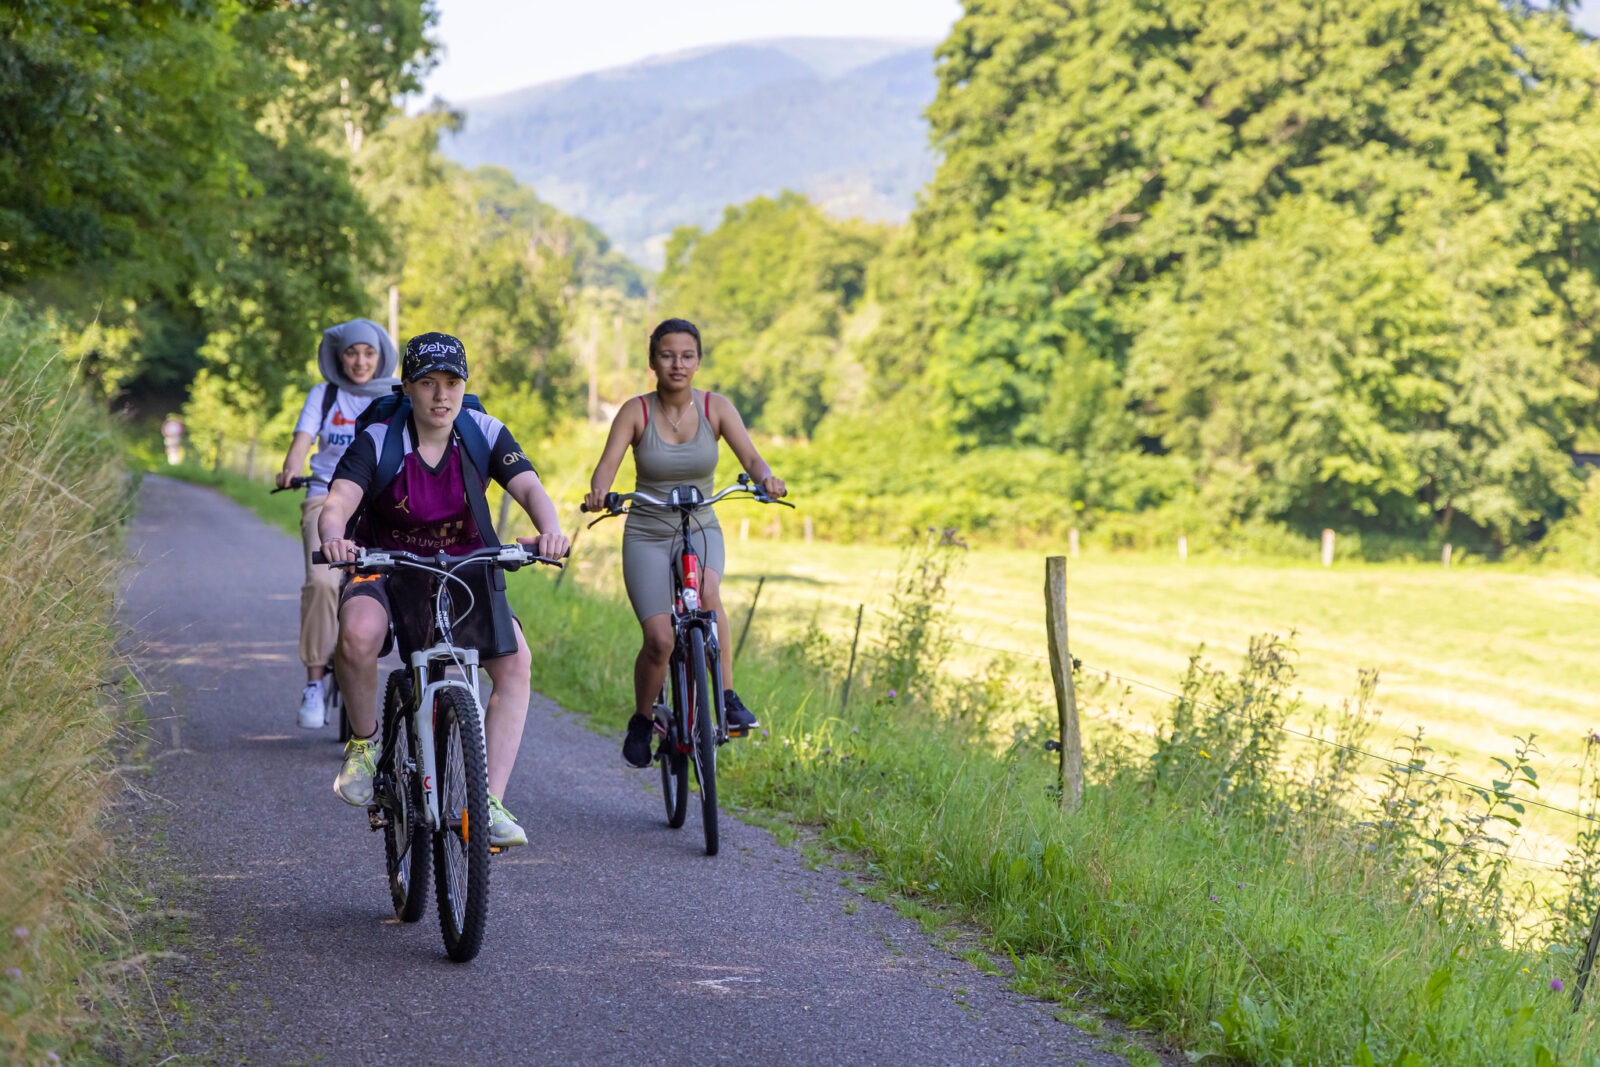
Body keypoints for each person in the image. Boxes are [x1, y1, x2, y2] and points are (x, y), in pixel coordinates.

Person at [317, 332, 569, 849]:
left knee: (515, 661)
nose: (441, 395)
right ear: (407, 387)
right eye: (428, 383)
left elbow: (528, 488)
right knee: (358, 634)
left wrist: (549, 530)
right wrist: (335, 539)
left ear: (464, 386)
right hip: (384, 562)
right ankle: (365, 746)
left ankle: (489, 803)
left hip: (465, 564)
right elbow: (339, 500)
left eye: (452, 382)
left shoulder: (483, 432)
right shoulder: (380, 439)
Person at [584, 318, 787, 770]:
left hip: (700, 526)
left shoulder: (716, 407)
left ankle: (728, 698)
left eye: (687, 355)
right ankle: (641, 719)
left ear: (698, 361)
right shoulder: (636, 411)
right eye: (668, 355)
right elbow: (607, 466)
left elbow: (750, 457)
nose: (678, 364)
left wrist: (766, 479)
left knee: (710, 598)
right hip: (648, 533)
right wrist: (600, 492)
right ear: (653, 360)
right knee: (658, 639)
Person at [274, 319, 400, 730]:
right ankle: (314, 682)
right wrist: (291, 469)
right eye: (351, 352)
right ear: (338, 357)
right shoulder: (325, 395)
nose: (360, 361)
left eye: (369, 353)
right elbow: (302, 441)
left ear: (381, 356)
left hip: (379, 503)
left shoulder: (398, 395)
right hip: (325, 496)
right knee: (322, 582)